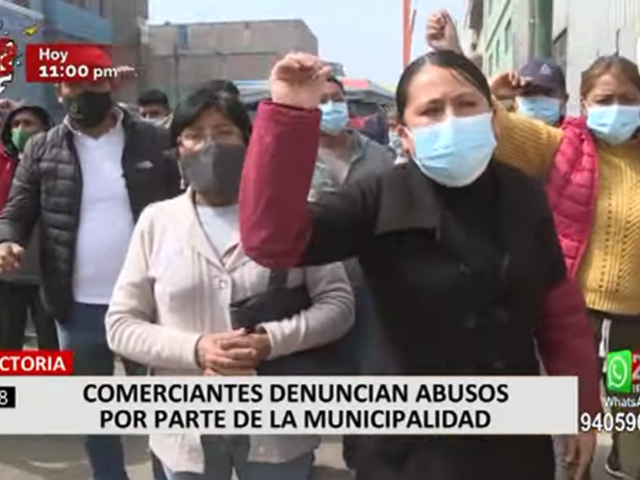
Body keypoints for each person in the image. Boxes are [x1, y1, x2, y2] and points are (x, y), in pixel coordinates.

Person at [237, 51, 600, 480]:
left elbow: (559, 312)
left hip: (513, 439)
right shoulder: (377, 198)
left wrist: (582, 409)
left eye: (466, 105)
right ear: (404, 135)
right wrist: (290, 113)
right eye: (432, 110)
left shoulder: (522, 195)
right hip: (407, 447)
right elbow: (271, 240)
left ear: (494, 121)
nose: (452, 121)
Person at [427, 10, 640, 479]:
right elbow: (497, 124)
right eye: (606, 99)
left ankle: (623, 466)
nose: (617, 108)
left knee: (632, 430)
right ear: (584, 103)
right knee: (571, 429)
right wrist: (456, 57)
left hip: (630, 332)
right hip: (574, 323)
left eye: (628, 99)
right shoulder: (562, 146)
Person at [106, 86, 354, 480]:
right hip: (186, 430)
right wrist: (197, 349)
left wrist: (271, 340)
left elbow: (338, 304)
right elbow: (121, 325)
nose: (210, 146)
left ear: (249, 142)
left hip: (278, 429)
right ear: (178, 150)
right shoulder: (158, 221)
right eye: (194, 135)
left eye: (223, 132)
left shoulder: (290, 214)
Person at [0, 48, 181, 480]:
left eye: (93, 82)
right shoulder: (42, 148)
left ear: (110, 83)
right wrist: (7, 240)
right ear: (59, 91)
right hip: (76, 305)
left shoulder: (152, 140)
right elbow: (18, 210)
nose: (83, 92)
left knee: (159, 411)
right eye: (73, 84)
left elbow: (184, 204)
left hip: (150, 303)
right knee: (95, 412)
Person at [309, 74, 394, 469]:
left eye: (336, 98)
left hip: (371, 285)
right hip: (313, 290)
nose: (331, 107)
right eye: (321, 100)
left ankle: (363, 458)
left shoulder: (378, 157)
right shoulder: (294, 157)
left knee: (370, 376)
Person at [0, 104, 56, 351]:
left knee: (51, 348)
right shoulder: (5, 164)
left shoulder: (60, 164)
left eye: (28, 123)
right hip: (8, 273)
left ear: (45, 128)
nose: (21, 130)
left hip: (48, 275)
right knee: (7, 345)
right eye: (15, 124)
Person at [511, 58, 568, 125]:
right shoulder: (503, 129)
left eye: (547, 93)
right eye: (528, 93)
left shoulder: (576, 130)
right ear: (514, 100)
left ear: (564, 100)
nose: (538, 99)